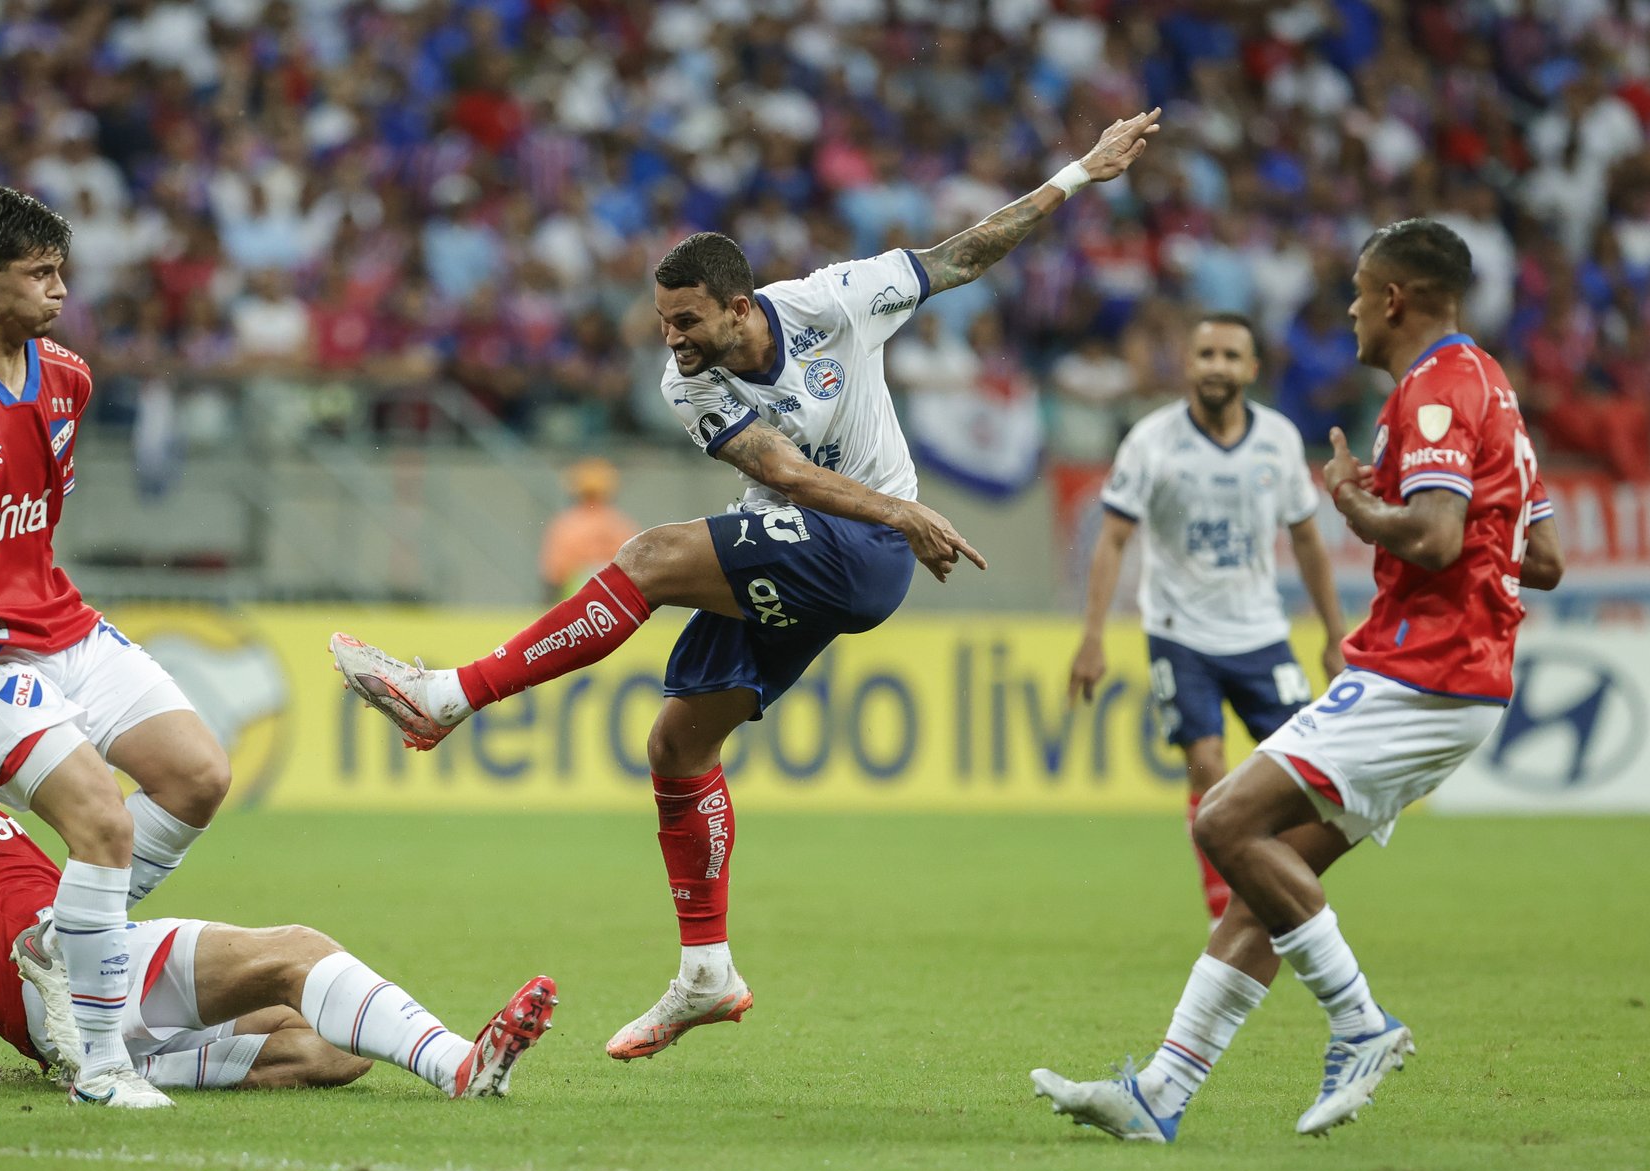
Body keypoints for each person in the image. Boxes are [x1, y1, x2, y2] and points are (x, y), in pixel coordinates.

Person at [332, 110, 1164, 1063]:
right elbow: (787, 471)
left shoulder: (835, 301)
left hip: (862, 550)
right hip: (822, 538)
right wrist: (909, 514)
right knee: (677, 745)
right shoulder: (687, 387)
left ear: (739, 305)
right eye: (661, 323)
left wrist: (1077, 172)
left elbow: (966, 252)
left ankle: (447, 697)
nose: (672, 341)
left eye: (687, 321)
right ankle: (706, 971)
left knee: (647, 557)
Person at [1034, 219, 1564, 1142]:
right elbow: (1545, 555)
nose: (1352, 311)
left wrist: (1361, 506)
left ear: (1394, 298)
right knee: (1259, 879)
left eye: (1360, 294)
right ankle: (1161, 1092)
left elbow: (1436, 537)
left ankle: (1360, 1021)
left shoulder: (1434, 389)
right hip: (1461, 679)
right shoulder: (1493, 386)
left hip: (1423, 668)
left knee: (1223, 819)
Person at [0, 186, 233, 1108]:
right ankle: (102, 1065)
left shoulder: (68, 378)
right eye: (41, 273)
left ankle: (61, 934)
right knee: (101, 823)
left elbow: (31, 523)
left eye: (63, 271)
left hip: (61, 624)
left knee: (199, 776)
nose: (61, 290)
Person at [0, 654, 555, 1097]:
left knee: (334, 1049)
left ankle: (116, 1067)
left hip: (78, 983)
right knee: (297, 948)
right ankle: (464, 1063)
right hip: (48, 972)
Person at [1068, 313, 1347, 921]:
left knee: (1302, 777)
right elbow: (1113, 540)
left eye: (1229, 356)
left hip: (1261, 633)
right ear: (1189, 365)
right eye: (1206, 354)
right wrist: (1093, 638)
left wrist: (1334, 636)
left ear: (1250, 369)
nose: (1217, 366)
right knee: (1210, 767)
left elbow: (1308, 543)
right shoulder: (1151, 440)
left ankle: (1271, 881)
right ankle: (1227, 908)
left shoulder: (1277, 439)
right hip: (1179, 635)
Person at [539, 458, 639, 599]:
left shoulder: (565, 523)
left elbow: (554, 573)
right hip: (614, 599)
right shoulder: (619, 523)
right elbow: (635, 567)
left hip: (576, 599)